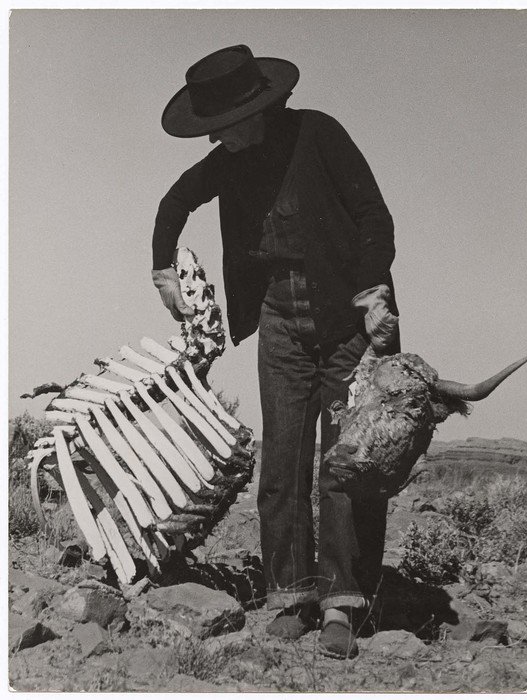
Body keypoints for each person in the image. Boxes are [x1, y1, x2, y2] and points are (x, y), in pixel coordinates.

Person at [152, 44, 400, 659]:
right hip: (279, 323)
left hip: (348, 321)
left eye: (222, 128)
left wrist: (373, 291)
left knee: (346, 465)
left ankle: (343, 604)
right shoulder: (228, 161)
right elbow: (174, 202)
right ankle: (291, 596)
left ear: (255, 111)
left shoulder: (320, 135)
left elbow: (375, 216)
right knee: (282, 463)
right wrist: (163, 271)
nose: (217, 140)